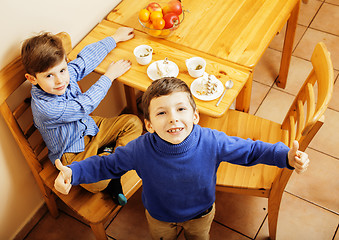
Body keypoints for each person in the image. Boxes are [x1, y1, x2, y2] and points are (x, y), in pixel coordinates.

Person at [54, 77, 309, 239]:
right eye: (162, 113)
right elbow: (106, 164)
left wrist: (284, 156)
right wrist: (74, 172)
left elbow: (250, 150)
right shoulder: (139, 149)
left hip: (201, 213)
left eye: (181, 109)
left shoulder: (211, 140)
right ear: (149, 124)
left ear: (195, 116)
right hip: (158, 216)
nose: (174, 118)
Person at [21, 27, 143, 205]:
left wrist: (115, 37)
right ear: (32, 79)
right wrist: (109, 76)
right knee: (97, 184)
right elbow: (85, 104)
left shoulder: (65, 74)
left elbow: (86, 59)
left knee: (134, 122)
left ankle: (108, 159)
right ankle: (110, 165)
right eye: (49, 76)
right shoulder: (46, 108)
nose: (60, 80)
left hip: (91, 127)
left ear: (65, 62)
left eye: (62, 70)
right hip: (72, 151)